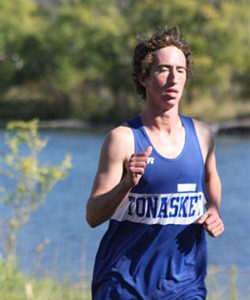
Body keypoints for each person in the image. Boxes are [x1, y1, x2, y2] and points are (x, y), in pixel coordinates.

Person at [86, 26, 224, 300]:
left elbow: (210, 178)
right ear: (143, 78)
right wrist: (126, 184)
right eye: (163, 70)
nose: (173, 78)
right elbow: (93, 215)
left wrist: (213, 208)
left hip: (185, 286)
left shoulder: (204, 135)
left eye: (181, 70)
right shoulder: (123, 139)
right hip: (124, 285)